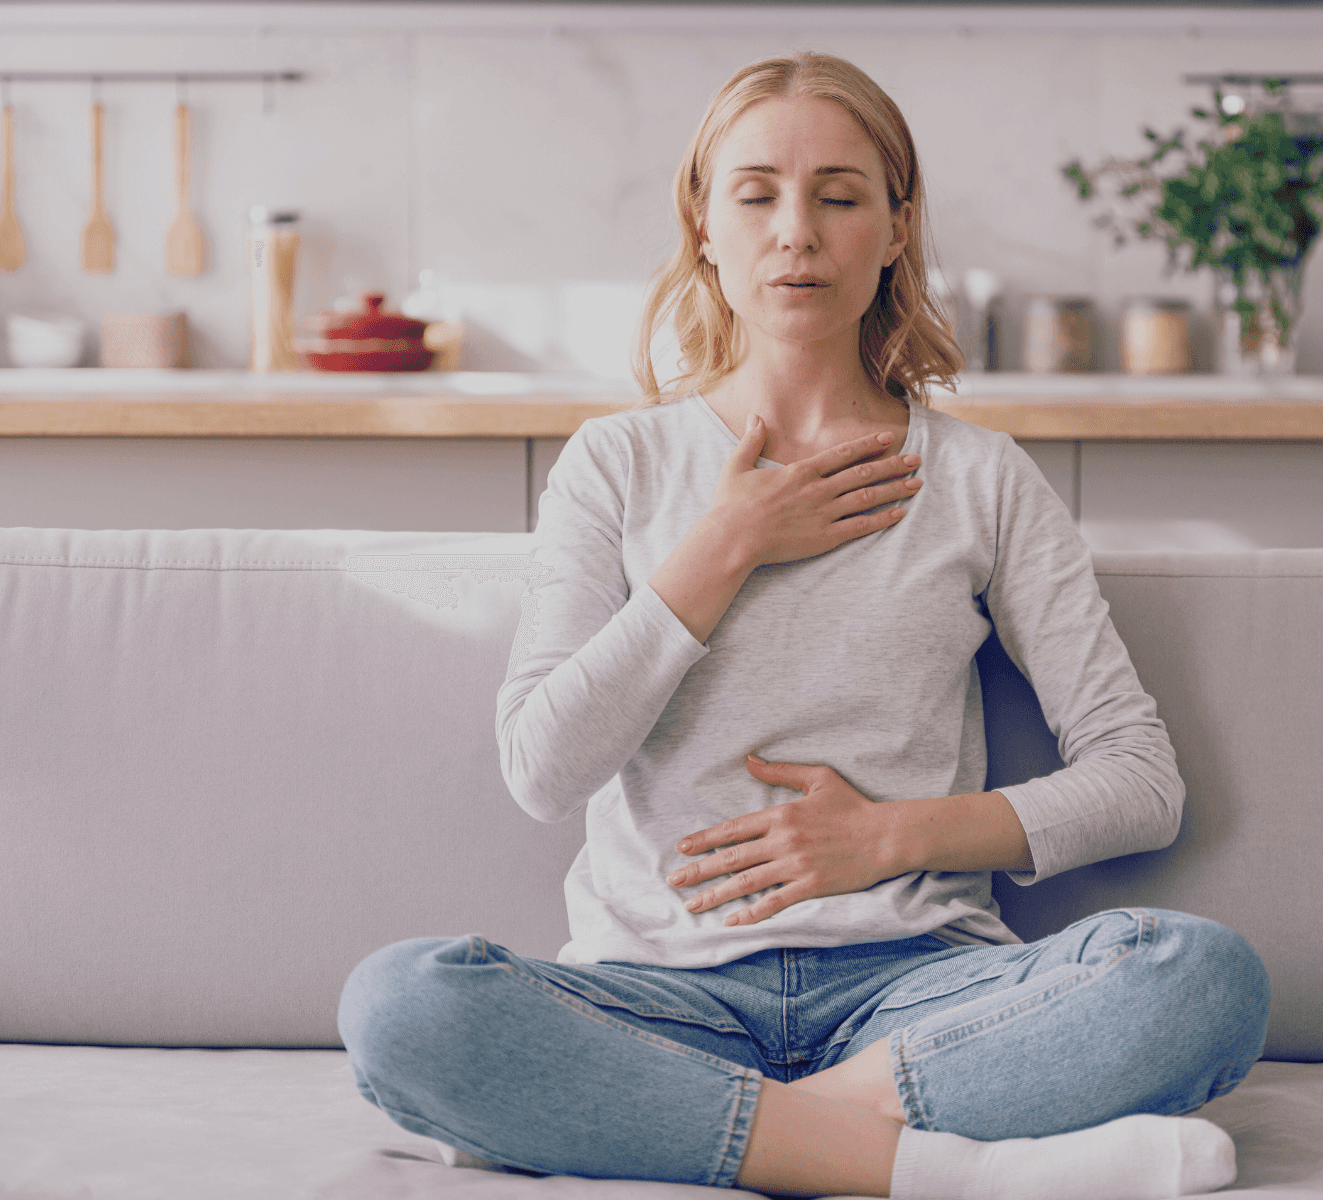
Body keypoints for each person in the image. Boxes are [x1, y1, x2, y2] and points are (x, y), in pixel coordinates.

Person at [339, 52, 1269, 1200]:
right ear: (703, 223)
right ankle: (951, 1172)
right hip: (659, 994)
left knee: (1197, 978)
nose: (797, 232)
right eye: (756, 194)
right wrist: (720, 547)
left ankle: (684, 1130)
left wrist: (895, 837)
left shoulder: (979, 478)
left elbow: (1140, 782)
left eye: (839, 195)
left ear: (893, 229)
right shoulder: (616, 466)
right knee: (400, 1006)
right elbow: (543, 769)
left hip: (917, 994)